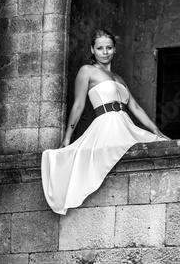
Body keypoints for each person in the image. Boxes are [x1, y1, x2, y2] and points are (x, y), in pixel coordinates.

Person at [41, 29, 170, 215]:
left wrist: (155, 130)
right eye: (100, 48)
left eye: (109, 47)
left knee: (159, 142)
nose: (105, 52)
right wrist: (68, 137)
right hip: (105, 124)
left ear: (115, 49)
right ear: (92, 49)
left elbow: (135, 108)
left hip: (124, 123)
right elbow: (78, 105)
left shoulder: (120, 79)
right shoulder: (87, 71)